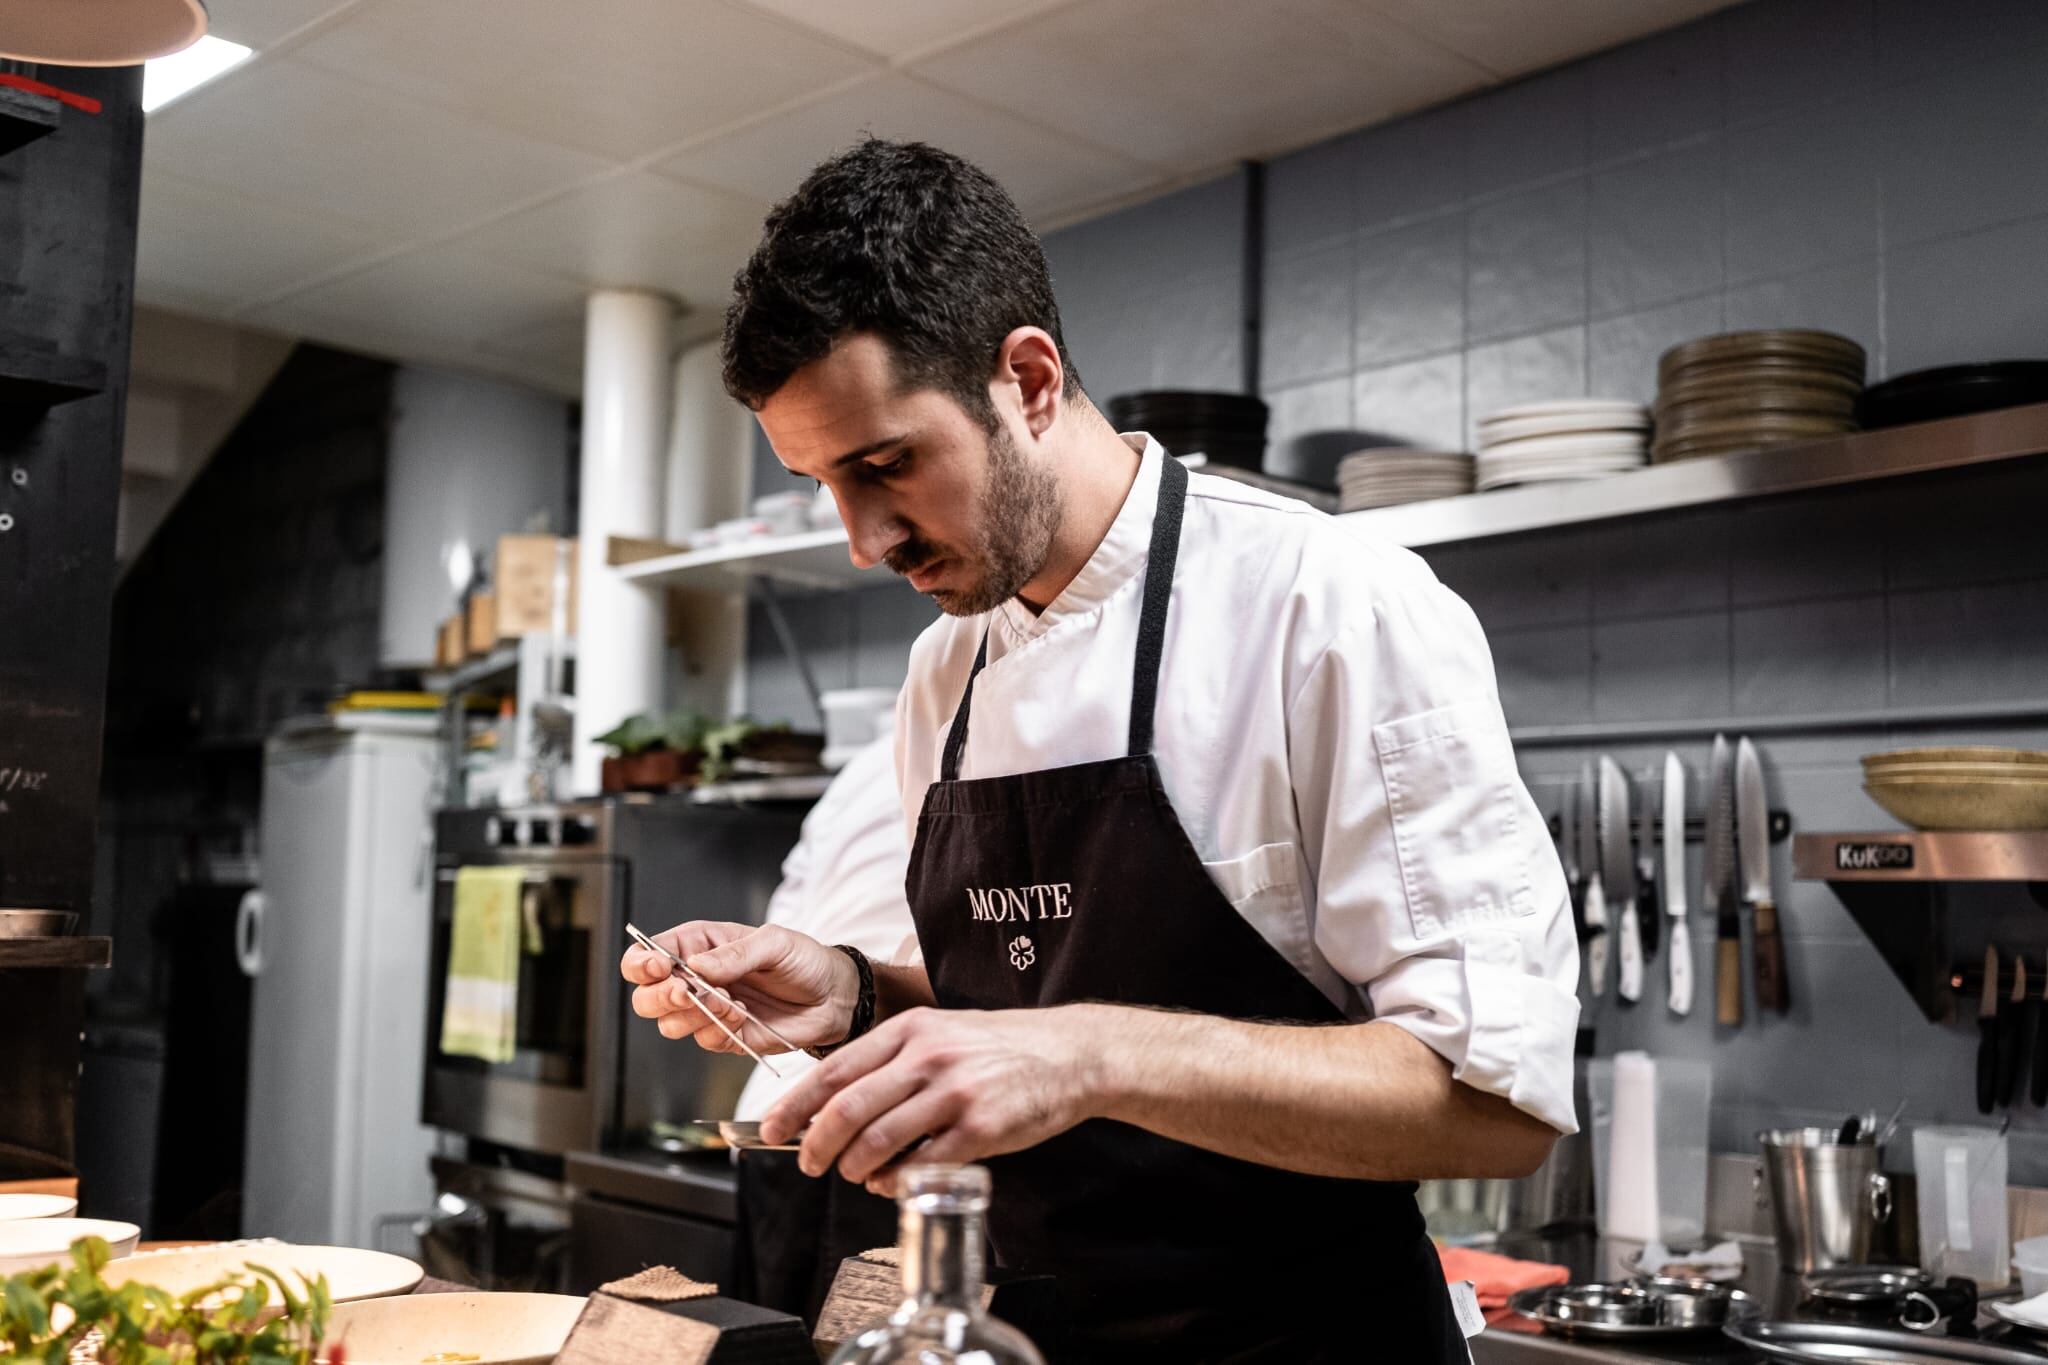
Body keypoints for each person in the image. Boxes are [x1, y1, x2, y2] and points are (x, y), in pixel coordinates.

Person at [623, 139, 1578, 1363]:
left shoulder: (1329, 605)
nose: (863, 541)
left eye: (884, 465)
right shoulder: (946, 667)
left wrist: (1089, 1055)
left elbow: (1494, 1109)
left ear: (1026, 379)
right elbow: (1007, 1007)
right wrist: (853, 992)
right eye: (821, 485)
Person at [725, 735, 911, 1324]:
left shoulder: (863, 765)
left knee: (772, 1338)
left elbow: (784, 918)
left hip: (777, 1115)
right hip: (881, 1123)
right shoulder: (926, 725)